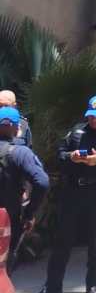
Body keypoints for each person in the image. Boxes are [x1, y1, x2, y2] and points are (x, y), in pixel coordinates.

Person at [30, 94, 96, 293]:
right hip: (73, 191)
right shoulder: (77, 131)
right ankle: (52, 287)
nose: (92, 119)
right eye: (90, 115)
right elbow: (60, 153)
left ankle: (92, 284)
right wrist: (71, 156)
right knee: (62, 240)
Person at [0, 105, 49, 273]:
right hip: (7, 219)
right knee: (4, 269)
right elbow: (42, 182)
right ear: (15, 127)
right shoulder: (20, 153)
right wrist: (29, 213)